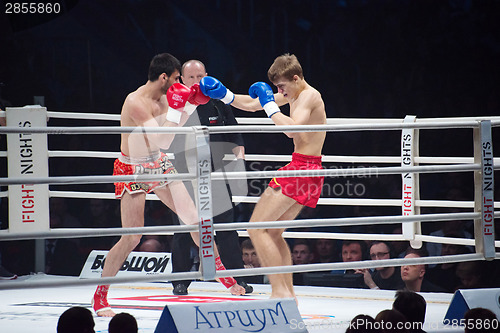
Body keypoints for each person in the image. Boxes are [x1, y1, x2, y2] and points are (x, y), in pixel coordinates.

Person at [92, 53, 245, 317]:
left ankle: (221, 272)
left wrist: (194, 103)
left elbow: (177, 125)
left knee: (195, 219)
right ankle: (101, 296)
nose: (178, 84)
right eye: (176, 78)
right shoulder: (135, 102)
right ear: (164, 77)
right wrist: (179, 107)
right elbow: (163, 137)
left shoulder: (164, 97)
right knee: (132, 237)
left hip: (158, 163)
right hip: (133, 167)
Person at [200, 53, 326, 299]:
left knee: (256, 228)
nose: (280, 91)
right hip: (305, 168)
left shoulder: (310, 95)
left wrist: (269, 104)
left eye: (282, 87)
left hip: (302, 169)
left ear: (296, 77)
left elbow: (291, 130)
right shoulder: (295, 93)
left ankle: (279, 292)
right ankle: (288, 294)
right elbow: (251, 104)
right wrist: (225, 94)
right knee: (274, 233)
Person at [170, 59, 252, 296]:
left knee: (226, 227)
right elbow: (164, 138)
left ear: (207, 76)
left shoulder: (216, 99)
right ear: (182, 80)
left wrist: (238, 148)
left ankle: (237, 279)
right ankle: (180, 281)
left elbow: (232, 127)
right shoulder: (174, 104)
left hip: (215, 172)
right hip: (184, 174)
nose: (196, 82)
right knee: (184, 229)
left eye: (200, 77)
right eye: (191, 78)